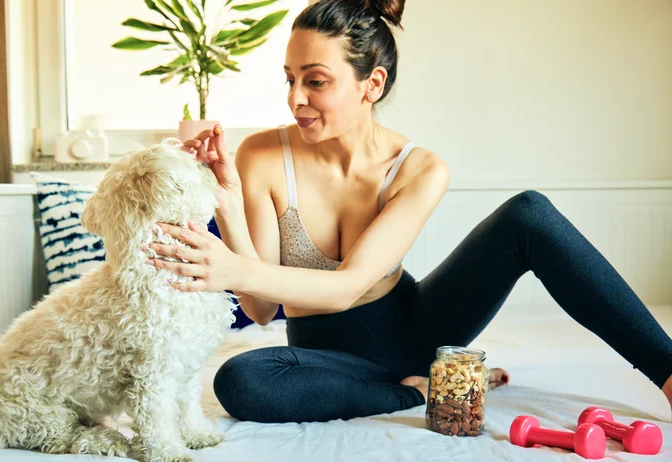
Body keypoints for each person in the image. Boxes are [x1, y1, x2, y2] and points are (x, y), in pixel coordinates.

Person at [143, 0, 672, 423]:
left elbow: (350, 285)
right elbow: (259, 310)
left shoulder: (419, 168)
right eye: (289, 78)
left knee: (529, 214)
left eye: (316, 80)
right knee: (240, 381)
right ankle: (421, 390)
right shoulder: (262, 154)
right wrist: (229, 200)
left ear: (371, 84)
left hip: (416, 323)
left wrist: (234, 268)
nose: (296, 98)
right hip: (329, 356)